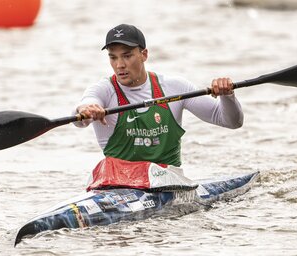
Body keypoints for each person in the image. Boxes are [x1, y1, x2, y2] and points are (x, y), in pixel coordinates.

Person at [73, 24, 243, 191]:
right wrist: (86, 111)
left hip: (165, 181)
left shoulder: (174, 87)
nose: (120, 65)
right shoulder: (103, 90)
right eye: (113, 57)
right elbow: (81, 116)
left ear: (144, 54)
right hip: (116, 183)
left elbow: (231, 122)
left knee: (152, 172)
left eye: (127, 56)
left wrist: (227, 96)